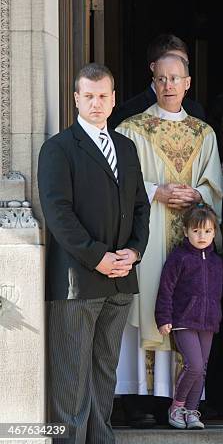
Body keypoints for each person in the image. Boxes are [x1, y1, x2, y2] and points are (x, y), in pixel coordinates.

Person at [39, 63, 150, 443]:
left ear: (114, 99)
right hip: (77, 281)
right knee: (71, 376)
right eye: (89, 96)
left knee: (106, 371)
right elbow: (59, 214)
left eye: (103, 96)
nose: (96, 103)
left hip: (121, 280)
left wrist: (134, 251)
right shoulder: (58, 149)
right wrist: (97, 256)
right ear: (76, 99)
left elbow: (141, 207)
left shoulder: (126, 146)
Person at [114, 53, 223, 415]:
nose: (168, 85)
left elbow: (214, 185)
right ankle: (140, 397)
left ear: (188, 82)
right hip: (150, 230)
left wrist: (198, 195)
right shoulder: (131, 129)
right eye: (161, 79)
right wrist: (154, 191)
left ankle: (181, 401)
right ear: (152, 80)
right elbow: (118, 179)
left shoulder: (203, 132)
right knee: (148, 303)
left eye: (175, 78)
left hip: (190, 234)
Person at [155, 203, 223, 429]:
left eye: (207, 231)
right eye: (196, 231)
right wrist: (163, 318)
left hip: (208, 322)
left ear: (214, 232)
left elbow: (219, 290)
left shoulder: (215, 261)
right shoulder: (179, 257)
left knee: (201, 369)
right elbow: (166, 289)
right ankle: (177, 407)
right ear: (186, 231)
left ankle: (192, 412)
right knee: (193, 365)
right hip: (183, 320)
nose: (202, 236)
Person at [108, 34, 206, 129]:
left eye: (184, 63)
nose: (179, 67)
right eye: (171, 61)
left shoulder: (195, 111)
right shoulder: (129, 112)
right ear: (153, 67)